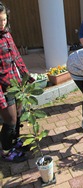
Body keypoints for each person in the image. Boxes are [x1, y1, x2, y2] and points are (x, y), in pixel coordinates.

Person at [0, 2, 34, 162]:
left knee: (19, 115)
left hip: (16, 83)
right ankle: (6, 152)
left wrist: (26, 76)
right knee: (10, 120)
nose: (2, 23)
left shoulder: (6, 34)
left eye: (4, 19)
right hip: (3, 88)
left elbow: (17, 57)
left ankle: (14, 142)